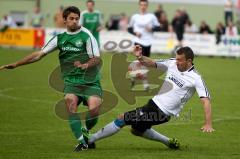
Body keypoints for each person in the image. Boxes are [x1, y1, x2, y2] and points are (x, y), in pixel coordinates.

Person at [0, 6, 102, 151]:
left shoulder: (87, 35)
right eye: (71, 19)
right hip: (71, 81)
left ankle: (85, 130)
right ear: (65, 20)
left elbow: (97, 58)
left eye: (77, 19)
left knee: (94, 111)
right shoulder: (59, 39)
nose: (75, 21)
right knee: (70, 103)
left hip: (90, 81)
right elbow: (38, 54)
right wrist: (17, 64)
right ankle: (82, 142)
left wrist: (86, 64)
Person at [83, 46, 214, 150]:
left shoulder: (196, 78)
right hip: (153, 104)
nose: (177, 61)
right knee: (136, 130)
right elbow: (151, 63)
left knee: (122, 118)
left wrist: (208, 123)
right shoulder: (172, 63)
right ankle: (169, 142)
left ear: (189, 61)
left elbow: (206, 101)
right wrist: (140, 57)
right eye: (176, 58)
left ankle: (90, 139)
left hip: (162, 112)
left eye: (180, 60)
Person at [128, 0, 160, 90]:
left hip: (148, 42)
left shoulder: (151, 16)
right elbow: (129, 28)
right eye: (141, 5)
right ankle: (146, 85)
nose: (143, 6)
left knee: (144, 63)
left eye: (145, 5)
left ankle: (133, 77)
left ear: (147, 6)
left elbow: (158, 27)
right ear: (139, 6)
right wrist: (135, 33)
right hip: (138, 41)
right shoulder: (135, 17)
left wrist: (152, 28)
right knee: (141, 62)